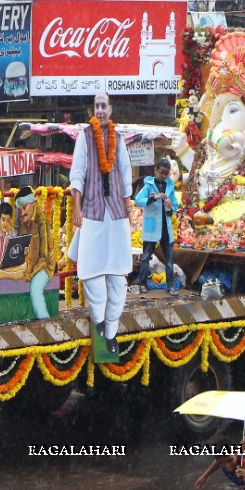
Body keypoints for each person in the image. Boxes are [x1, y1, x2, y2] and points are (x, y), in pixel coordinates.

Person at [67, 92, 134, 355]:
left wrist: (128, 205)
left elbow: (126, 172)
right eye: (97, 106)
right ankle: (100, 324)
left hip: (116, 211)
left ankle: (111, 331)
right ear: (91, 111)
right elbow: (77, 173)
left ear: (111, 108)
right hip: (93, 212)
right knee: (92, 274)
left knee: (117, 277)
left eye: (104, 106)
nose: (101, 110)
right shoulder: (84, 137)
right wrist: (77, 208)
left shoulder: (119, 138)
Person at [134, 158, 180, 295]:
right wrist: (154, 198)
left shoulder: (170, 186)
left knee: (169, 259)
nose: (164, 176)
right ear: (155, 171)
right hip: (151, 226)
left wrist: (169, 207)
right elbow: (138, 200)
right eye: (161, 173)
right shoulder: (148, 185)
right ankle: (142, 283)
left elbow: (175, 205)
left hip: (165, 227)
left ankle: (171, 285)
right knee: (145, 257)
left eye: (166, 173)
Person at [16, 186, 56, 318]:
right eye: (19, 209)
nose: (22, 212)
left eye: (24, 207)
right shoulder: (23, 221)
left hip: (44, 267)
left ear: (32, 203)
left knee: (35, 288)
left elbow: (44, 257)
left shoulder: (41, 220)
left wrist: (31, 273)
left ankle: (46, 323)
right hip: (29, 265)